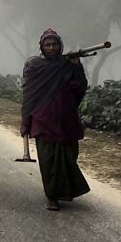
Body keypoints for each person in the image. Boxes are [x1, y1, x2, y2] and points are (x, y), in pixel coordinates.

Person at [21, 28, 90, 211]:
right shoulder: (35, 66)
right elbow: (29, 96)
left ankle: (65, 191)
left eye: (55, 44)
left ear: (60, 46)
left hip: (67, 120)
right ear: (42, 47)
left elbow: (80, 88)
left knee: (70, 157)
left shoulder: (68, 65)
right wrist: (25, 122)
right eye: (48, 45)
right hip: (44, 121)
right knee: (49, 161)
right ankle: (52, 196)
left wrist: (76, 65)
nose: (51, 47)